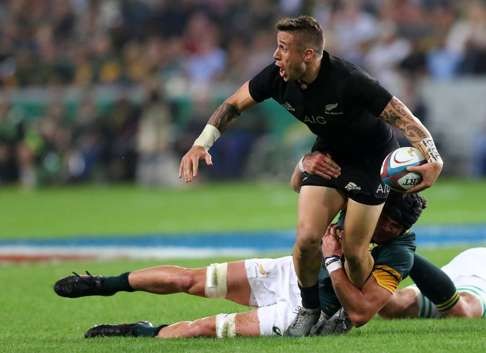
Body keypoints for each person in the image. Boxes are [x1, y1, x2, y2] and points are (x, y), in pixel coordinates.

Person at [178, 15, 443, 336]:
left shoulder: (349, 80)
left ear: (308, 55)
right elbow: (233, 104)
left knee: (356, 254)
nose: (276, 55)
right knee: (306, 241)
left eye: (283, 48)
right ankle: (309, 307)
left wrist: (434, 159)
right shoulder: (275, 77)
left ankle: (350, 311)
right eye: (277, 46)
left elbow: (403, 117)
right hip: (327, 155)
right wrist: (200, 144)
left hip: (371, 162)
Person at [53, 191, 425, 338]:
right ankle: (104, 283)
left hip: (309, 314)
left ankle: (136, 332)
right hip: (289, 273)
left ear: (401, 228)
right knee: (194, 279)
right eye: (383, 219)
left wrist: (331, 258)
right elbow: (301, 183)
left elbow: (359, 313)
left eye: (392, 227)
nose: (381, 229)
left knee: (205, 328)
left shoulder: (399, 254)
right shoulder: (361, 202)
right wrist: (308, 164)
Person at [381, 248, 486, 319]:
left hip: (473, 261)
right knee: (463, 311)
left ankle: (398, 249)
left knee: (392, 307)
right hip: (477, 264)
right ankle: (398, 249)